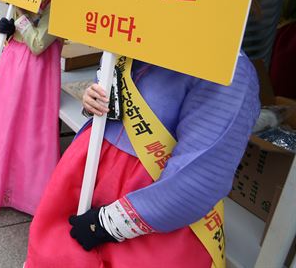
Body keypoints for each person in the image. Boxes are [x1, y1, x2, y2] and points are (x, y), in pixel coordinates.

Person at [24, 52, 260, 267]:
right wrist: (93, 99)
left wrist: (110, 223)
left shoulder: (230, 68)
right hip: (85, 175)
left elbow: (202, 175)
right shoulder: (137, 36)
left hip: (149, 205)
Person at [0, 0, 62, 215]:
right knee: (5, 121)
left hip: (35, 71)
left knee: (28, 127)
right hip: (13, 61)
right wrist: (8, 28)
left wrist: (19, 16)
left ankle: (24, 190)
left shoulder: (58, 0)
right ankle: (0, 171)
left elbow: (38, 44)